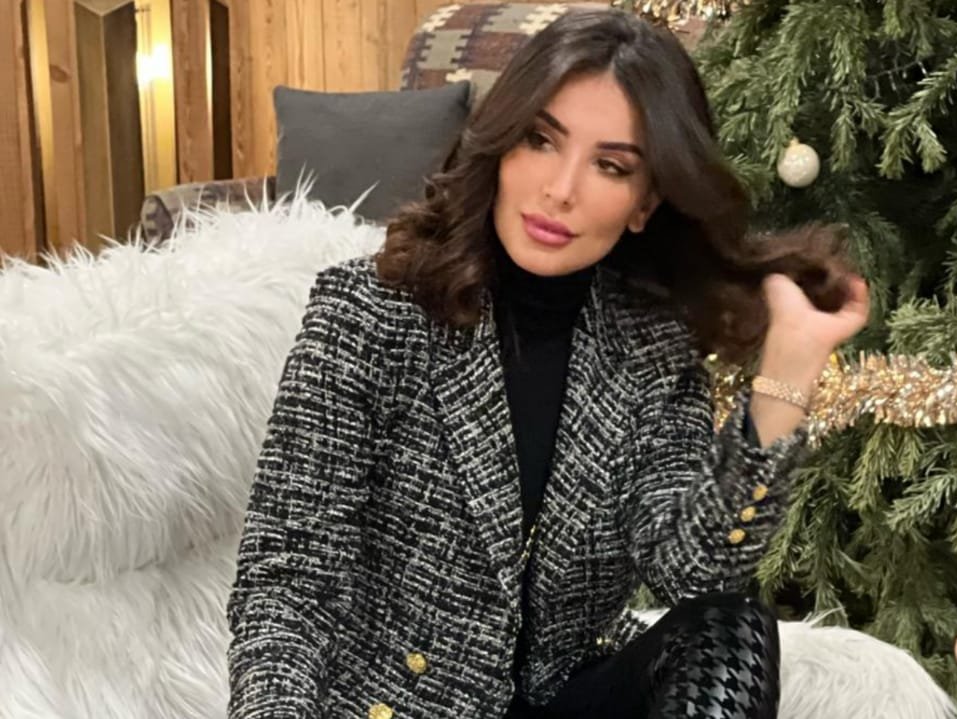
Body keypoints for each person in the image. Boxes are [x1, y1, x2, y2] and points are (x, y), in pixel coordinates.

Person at [225, 8, 869, 719]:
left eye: (610, 165)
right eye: (541, 139)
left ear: (644, 202)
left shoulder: (650, 346)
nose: (561, 190)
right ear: (501, 145)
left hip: (563, 699)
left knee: (732, 627)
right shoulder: (368, 314)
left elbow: (692, 573)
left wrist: (788, 375)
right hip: (400, 707)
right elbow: (287, 583)